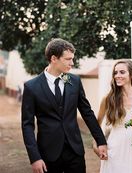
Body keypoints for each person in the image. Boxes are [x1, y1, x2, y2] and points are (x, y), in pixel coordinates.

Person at [21, 38, 107, 173]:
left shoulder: (74, 81)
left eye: (72, 59)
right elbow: (27, 125)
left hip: (75, 151)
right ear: (54, 58)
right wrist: (34, 157)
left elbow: (87, 112)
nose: (72, 63)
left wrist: (101, 140)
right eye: (68, 59)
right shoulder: (31, 87)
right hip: (48, 154)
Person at [95, 60, 132, 173]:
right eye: (115, 73)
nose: (117, 76)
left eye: (122, 72)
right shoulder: (108, 98)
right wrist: (97, 144)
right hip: (115, 148)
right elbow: (96, 124)